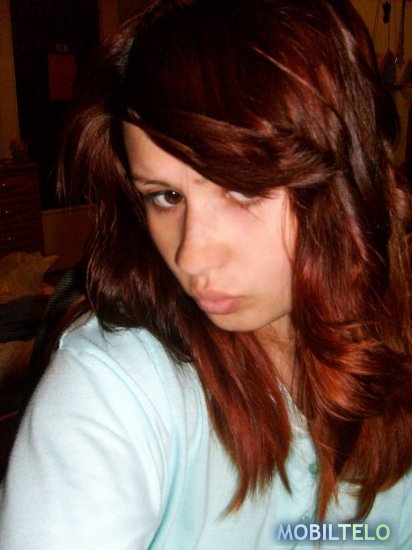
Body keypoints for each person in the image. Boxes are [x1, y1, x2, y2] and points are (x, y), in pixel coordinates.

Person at [1, 0, 412, 548]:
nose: (192, 257)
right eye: (166, 196)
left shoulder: (394, 352)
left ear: (342, 181)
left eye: (241, 189)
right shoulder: (112, 390)